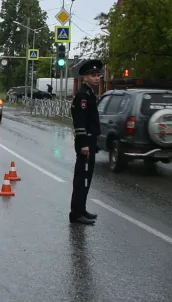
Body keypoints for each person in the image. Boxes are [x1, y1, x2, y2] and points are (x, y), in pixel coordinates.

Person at [69, 59, 102, 225]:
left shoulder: (89, 93)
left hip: (90, 141)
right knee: (82, 179)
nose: (97, 78)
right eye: (93, 75)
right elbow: (80, 122)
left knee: (86, 179)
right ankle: (76, 213)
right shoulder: (83, 95)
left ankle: (82, 209)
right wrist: (84, 145)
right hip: (85, 143)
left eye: (98, 75)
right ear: (85, 77)